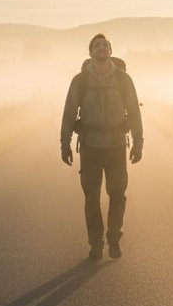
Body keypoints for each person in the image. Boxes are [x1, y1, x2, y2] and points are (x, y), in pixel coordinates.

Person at [60, 33, 143, 260]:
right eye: (96, 46)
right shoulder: (80, 81)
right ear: (90, 53)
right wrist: (64, 144)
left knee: (118, 194)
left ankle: (114, 237)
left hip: (116, 146)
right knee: (92, 198)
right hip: (90, 148)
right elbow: (68, 114)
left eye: (104, 45)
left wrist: (139, 143)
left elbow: (134, 112)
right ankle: (96, 244)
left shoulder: (124, 80)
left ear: (110, 51)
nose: (101, 48)